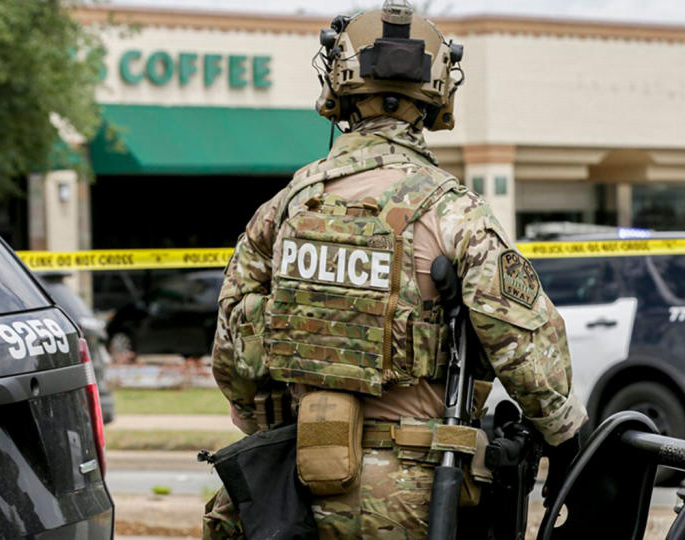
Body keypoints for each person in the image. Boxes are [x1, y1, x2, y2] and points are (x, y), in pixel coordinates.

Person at [203, 1, 587, 537]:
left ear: (338, 87)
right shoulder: (455, 210)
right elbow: (522, 344)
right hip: (419, 498)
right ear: (436, 96)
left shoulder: (287, 206)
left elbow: (233, 354)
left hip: (292, 489)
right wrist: (565, 436)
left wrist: (268, 431)